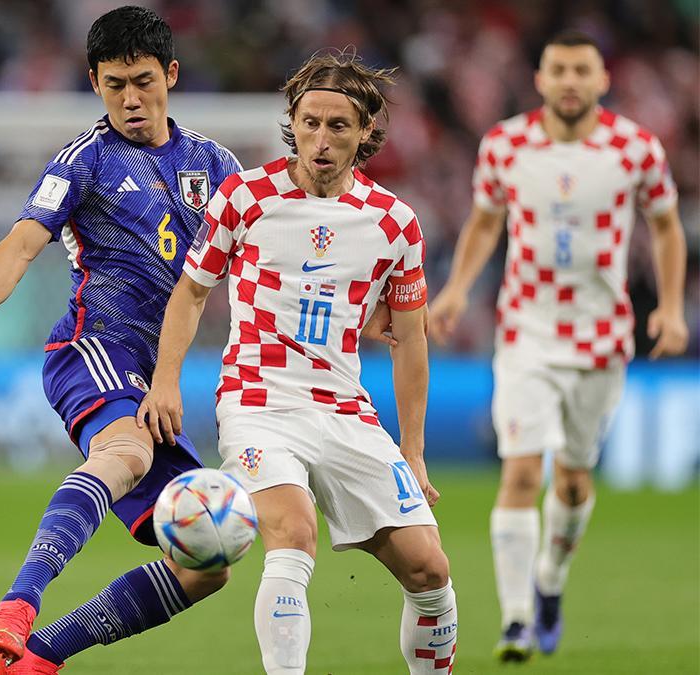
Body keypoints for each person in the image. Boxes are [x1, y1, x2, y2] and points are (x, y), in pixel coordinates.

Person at [141, 50, 458, 674]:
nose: (320, 139)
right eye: (309, 122)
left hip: (344, 407)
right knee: (293, 532)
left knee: (430, 569)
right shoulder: (245, 196)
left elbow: (411, 339)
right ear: (293, 121)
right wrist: (165, 381)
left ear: (366, 130)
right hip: (258, 402)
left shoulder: (394, 223)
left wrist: (413, 452)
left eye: (337, 126)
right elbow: (193, 292)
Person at [0, 6, 242, 674]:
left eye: (143, 80)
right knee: (129, 451)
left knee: (208, 556)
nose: (131, 98)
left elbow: (258, 261)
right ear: (94, 83)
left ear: (171, 73)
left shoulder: (214, 163)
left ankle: (38, 656)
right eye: (115, 85)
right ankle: (17, 603)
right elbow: (22, 242)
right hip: (92, 347)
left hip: (151, 371)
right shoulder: (86, 158)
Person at [428, 29, 687, 662]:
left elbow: (666, 226)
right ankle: (516, 619)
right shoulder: (506, 145)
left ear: (602, 80)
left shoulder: (634, 149)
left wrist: (674, 308)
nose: (570, 81)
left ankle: (549, 583)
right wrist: (457, 288)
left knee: (572, 483)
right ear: (540, 80)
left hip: (603, 336)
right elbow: (486, 219)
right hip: (526, 330)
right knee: (520, 471)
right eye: (559, 70)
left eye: (582, 70)